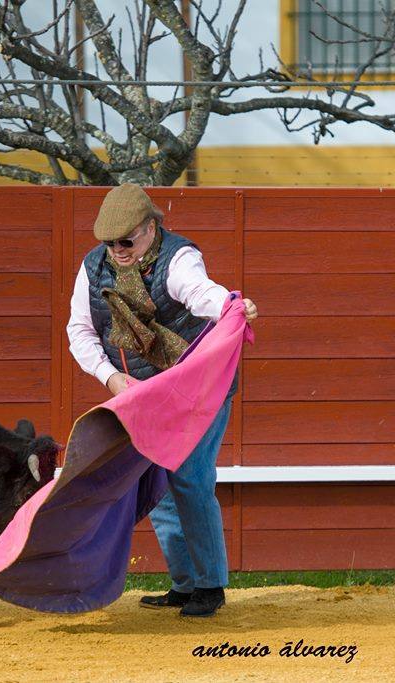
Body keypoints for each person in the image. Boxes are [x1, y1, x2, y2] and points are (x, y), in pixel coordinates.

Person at [66, 183, 258, 618]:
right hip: (144, 394)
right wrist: (113, 378)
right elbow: (79, 330)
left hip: (197, 388)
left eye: (126, 241)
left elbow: (199, 291)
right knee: (161, 488)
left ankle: (210, 586)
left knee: (189, 477)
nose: (116, 250)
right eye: (109, 242)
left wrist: (230, 306)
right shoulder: (92, 267)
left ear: (150, 228)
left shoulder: (180, 258)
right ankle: (185, 584)